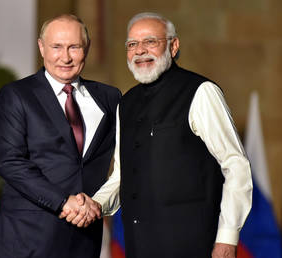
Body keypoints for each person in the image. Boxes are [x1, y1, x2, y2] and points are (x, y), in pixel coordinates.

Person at [65, 12, 253, 258]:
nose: (140, 51)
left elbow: (235, 165)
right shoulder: (127, 103)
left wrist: (227, 237)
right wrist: (95, 204)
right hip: (138, 245)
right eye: (132, 44)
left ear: (173, 46)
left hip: (194, 245)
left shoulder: (201, 92)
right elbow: (122, 176)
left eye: (150, 41)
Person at [0, 14, 121, 258]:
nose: (65, 57)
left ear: (86, 48)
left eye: (74, 47)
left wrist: (97, 205)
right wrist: (63, 202)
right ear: (41, 47)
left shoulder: (110, 98)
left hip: (84, 239)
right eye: (56, 47)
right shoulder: (17, 95)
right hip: (25, 241)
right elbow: (11, 163)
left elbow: (122, 161)